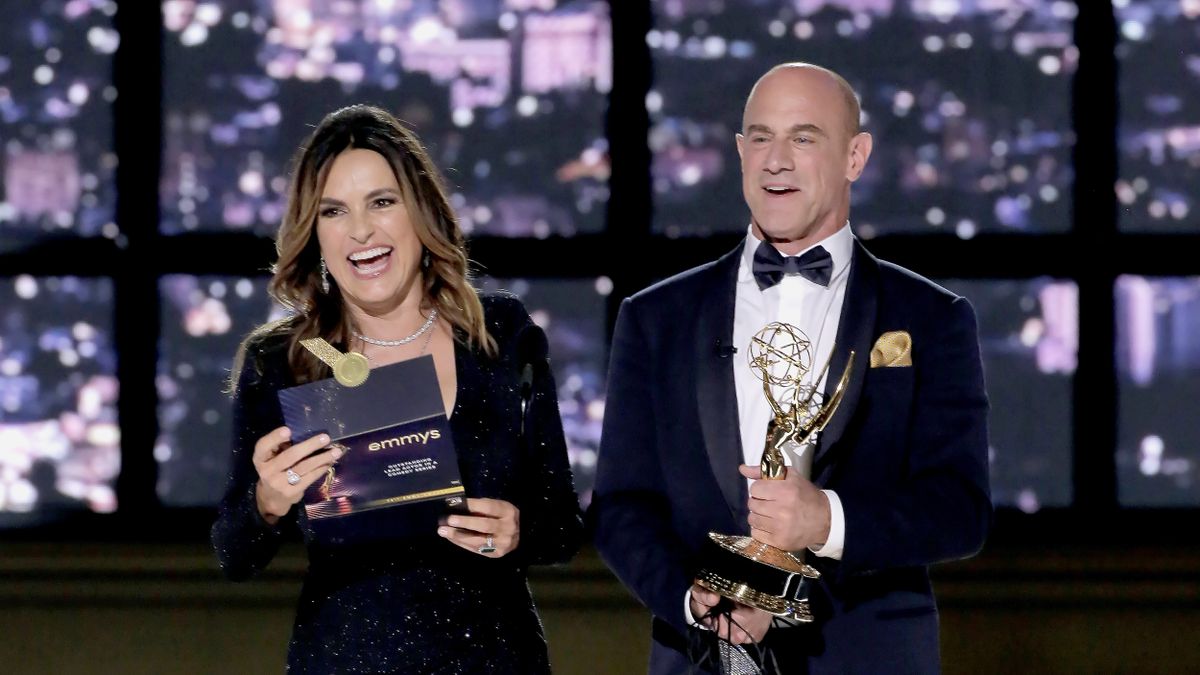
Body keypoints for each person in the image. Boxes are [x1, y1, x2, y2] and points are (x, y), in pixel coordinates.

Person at [591, 63, 991, 674]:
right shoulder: (656, 319)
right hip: (703, 660)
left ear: (855, 157)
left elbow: (960, 510)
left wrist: (825, 520)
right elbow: (621, 506)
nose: (775, 159)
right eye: (759, 137)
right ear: (739, 152)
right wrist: (695, 600)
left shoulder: (933, 318)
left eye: (803, 138)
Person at [211, 104, 583, 673]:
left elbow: (560, 526)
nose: (361, 230)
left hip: (494, 658)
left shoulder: (501, 335)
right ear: (315, 232)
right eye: (334, 211)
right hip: (344, 659)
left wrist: (519, 531)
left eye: (382, 202)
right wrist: (268, 501)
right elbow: (233, 554)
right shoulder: (282, 361)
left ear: (421, 211)